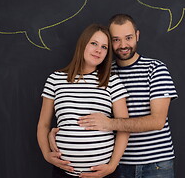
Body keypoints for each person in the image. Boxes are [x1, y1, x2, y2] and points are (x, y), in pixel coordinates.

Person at [50, 14, 178, 178]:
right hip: (118, 163)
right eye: (116, 39)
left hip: (155, 164)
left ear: (137, 36)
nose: (123, 45)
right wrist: (59, 133)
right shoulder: (104, 72)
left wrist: (110, 123)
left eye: (129, 38)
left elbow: (157, 121)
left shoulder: (155, 69)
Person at [37, 24, 129, 178]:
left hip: (104, 173)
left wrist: (112, 166)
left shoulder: (112, 81)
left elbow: (124, 127)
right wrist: (47, 154)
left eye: (104, 47)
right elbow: (43, 124)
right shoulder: (55, 79)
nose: (98, 50)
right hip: (64, 173)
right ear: (83, 44)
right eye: (94, 43)